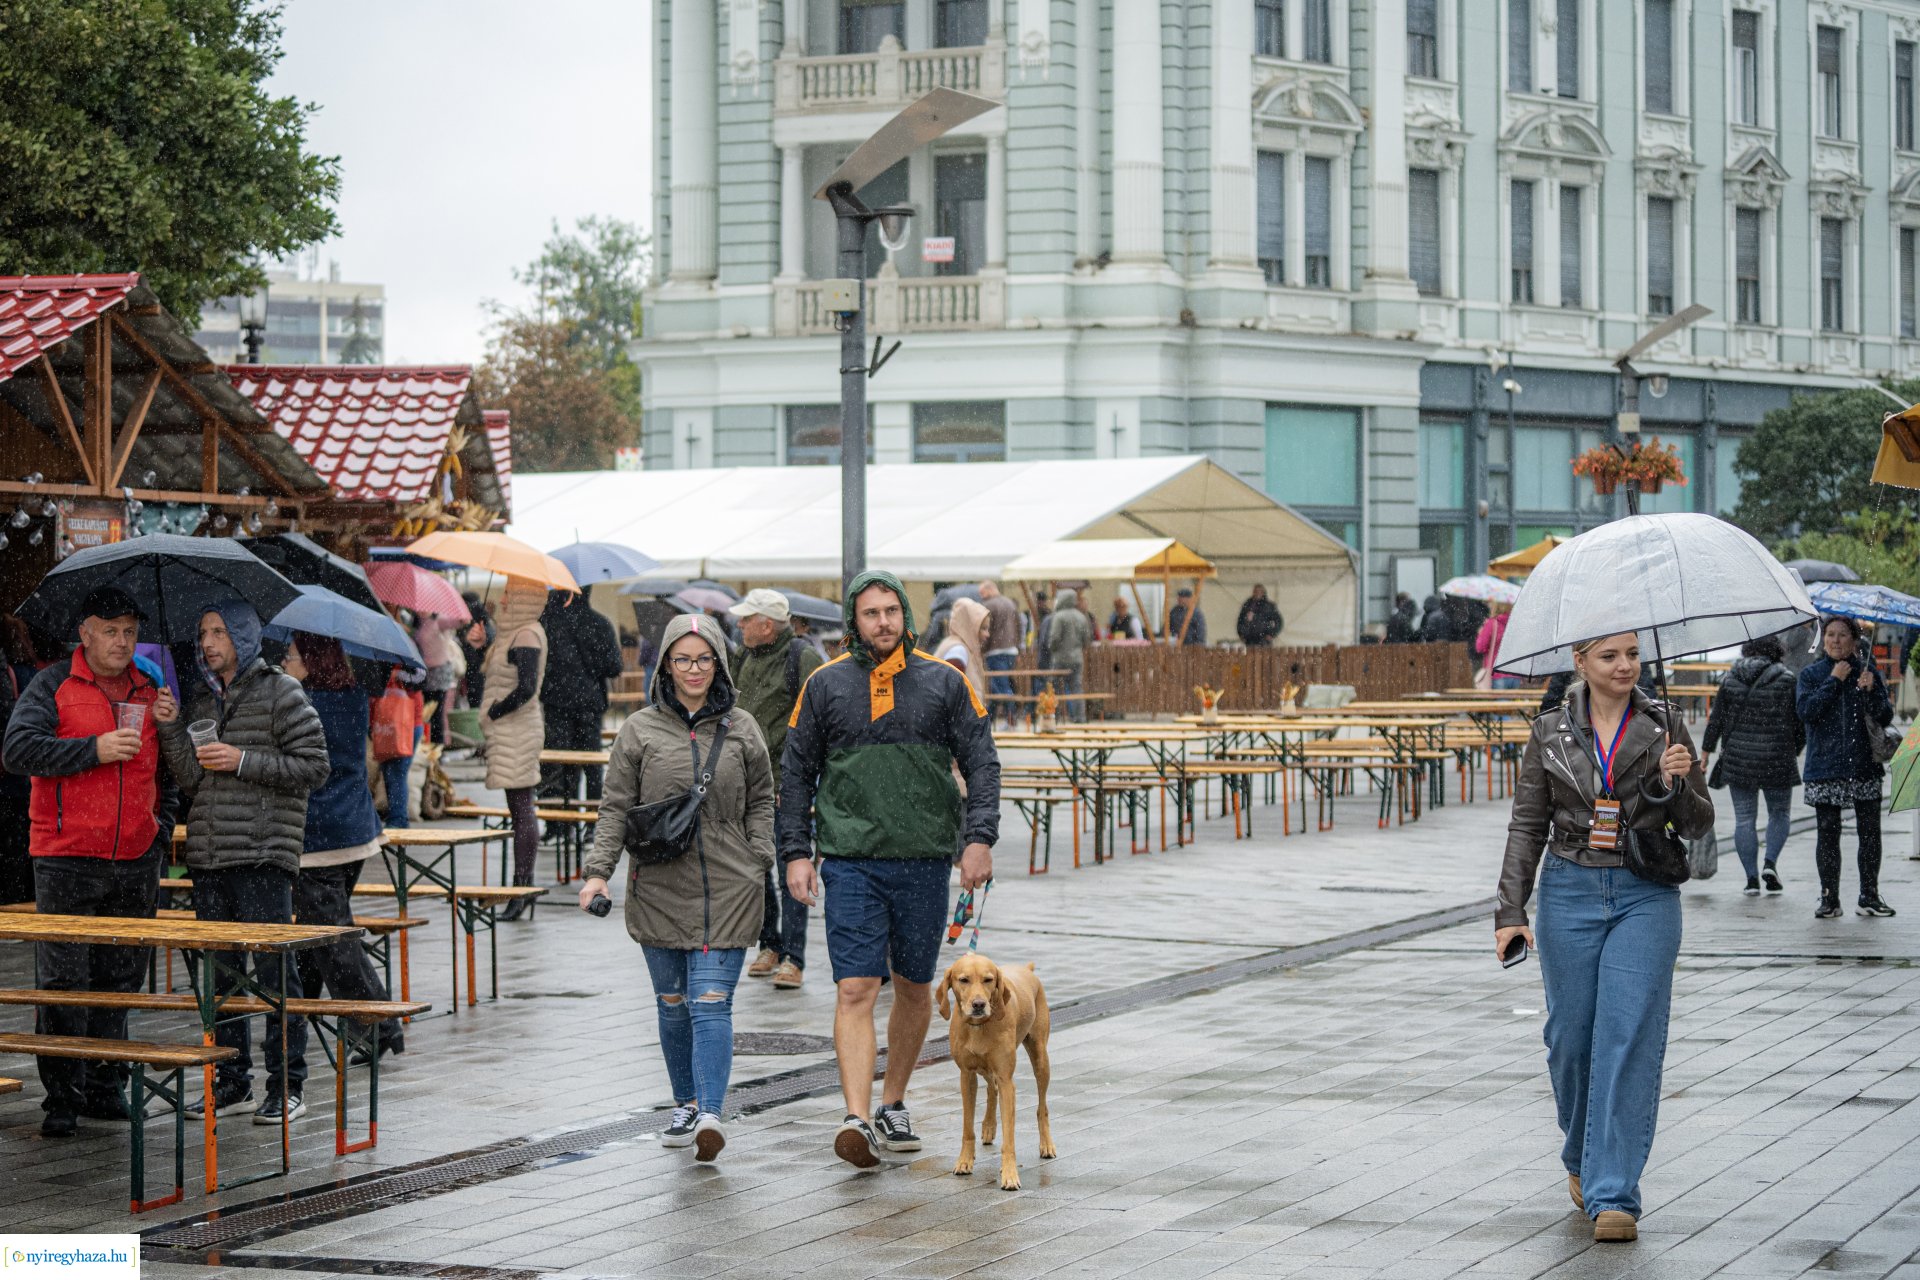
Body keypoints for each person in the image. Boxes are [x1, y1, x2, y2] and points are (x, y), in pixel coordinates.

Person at [1497, 632, 1712, 1243]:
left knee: (1628, 1035)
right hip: (1568, 889)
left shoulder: (1664, 721)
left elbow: (1697, 824)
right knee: (1571, 1041)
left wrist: (1682, 779)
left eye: (1632, 655)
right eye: (1610, 656)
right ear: (1581, 662)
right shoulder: (1549, 731)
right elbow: (1527, 824)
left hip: (1645, 890)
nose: (1625, 666)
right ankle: (1581, 1155)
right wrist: (1510, 909)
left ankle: (1614, 1190)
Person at [780, 570, 998, 1169]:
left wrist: (978, 839)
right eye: (870, 613)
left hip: (924, 859)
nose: (882, 622)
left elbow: (982, 762)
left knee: (912, 986)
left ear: (905, 615)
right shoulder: (824, 686)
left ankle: (893, 1102)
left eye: (890, 612)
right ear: (855, 620)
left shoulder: (944, 682)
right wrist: (796, 852)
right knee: (856, 987)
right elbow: (795, 774)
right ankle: (855, 1116)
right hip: (850, 861)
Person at [580, 614, 774, 1162]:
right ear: (665, 662)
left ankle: (711, 1113)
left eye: (705, 658)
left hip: (730, 886)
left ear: (720, 663)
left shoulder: (742, 728)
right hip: (659, 885)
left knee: (710, 1003)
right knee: (672, 1005)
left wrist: (759, 854)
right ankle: (685, 1100)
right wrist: (598, 871)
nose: (694, 669)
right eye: (683, 658)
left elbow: (762, 796)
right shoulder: (639, 730)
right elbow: (614, 807)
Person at [2, 588, 177, 1137]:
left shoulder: (151, 690)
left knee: (121, 979)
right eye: (110, 629)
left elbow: (169, 775)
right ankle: (62, 1096)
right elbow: (17, 750)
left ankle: (106, 1086)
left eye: (129, 630)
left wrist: (159, 829)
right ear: (85, 633)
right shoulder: (53, 684)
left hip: (135, 858)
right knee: (64, 982)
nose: (121, 641)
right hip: (66, 856)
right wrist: (92, 751)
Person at [158, 601, 328, 1124]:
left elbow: (315, 766)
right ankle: (231, 1083)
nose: (208, 642)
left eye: (219, 632)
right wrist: (170, 727)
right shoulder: (205, 698)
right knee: (220, 977)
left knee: (275, 976)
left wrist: (245, 760)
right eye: (203, 632)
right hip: (209, 857)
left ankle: (288, 1085)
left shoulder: (282, 690)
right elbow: (192, 779)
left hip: (262, 855)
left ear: (246, 637)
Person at [282, 634, 403, 1060]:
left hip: (321, 834)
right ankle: (297, 1017)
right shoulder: (351, 694)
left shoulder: (302, 702)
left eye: (291, 657)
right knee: (321, 932)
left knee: (334, 939)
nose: (284, 662)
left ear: (311, 661)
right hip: (355, 827)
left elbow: (302, 766)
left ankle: (380, 1021)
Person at [728, 589, 822, 990]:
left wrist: (798, 782)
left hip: (787, 784)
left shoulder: (803, 658)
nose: (740, 625)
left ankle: (793, 957)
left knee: (792, 869)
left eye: (747, 619)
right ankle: (770, 941)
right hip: (747, 782)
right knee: (754, 865)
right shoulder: (744, 657)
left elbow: (818, 726)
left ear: (766, 624)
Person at [1796, 615, 1897, 919]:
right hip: (1825, 766)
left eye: (1842, 635)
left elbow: (1885, 716)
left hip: (1863, 764)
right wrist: (1833, 681)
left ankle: (1869, 895)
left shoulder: (1868, 672)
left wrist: (1872, 690)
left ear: (1855, 641)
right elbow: (1807, 712)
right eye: (1830, 635)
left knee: (1870, 833)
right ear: (1823, 640)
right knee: (1828, 833)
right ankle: (1829, 897)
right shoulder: (1812, 674)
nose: (1835, 641)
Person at [1701, 636, 1803, 896]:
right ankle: (1770, 863)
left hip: (1739, 758)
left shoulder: (1731, 678)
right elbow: (1799, 724)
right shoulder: (1787, 679)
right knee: (1779, 813)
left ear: (1747, 649)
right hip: (1777, 758)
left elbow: (1717, 720)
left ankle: (1751, 879)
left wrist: (1705, 752)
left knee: (1744, 819)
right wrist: (1794, 749)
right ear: (1777, 650)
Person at [480, 580, 550, 920]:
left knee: (522, 807)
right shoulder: (512, 634)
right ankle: (521, 888)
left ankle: (522, 889)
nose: (503, 597)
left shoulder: (527, 635)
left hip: (517, 729)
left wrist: (494, 712)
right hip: (510, 729)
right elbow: (499, 678)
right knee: (518, 807)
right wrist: (481, 647)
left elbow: (525, 688)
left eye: (510, 592)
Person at [538, 591, 624, 803]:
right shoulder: (599, 623)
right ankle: (593, 821)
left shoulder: (550, 622)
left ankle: (563, 820)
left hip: (556, 703)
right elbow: (614, 667)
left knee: (560, 763)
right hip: (590, 703)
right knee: (592, 764)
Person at [373, 666, 425, 828]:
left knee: (397, 771)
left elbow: (422, 680)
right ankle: (396, 817)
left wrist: (398, 675)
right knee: (389, 772)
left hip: (407, 724)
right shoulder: (380, 660)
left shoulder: (408, 660)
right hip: (387, 723)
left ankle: (398, 819)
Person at [1044, 588, 1093, 724]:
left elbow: (1054, 638)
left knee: (1054, 688)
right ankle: (1079, 717)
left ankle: (1054, 716)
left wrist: (1053, 649)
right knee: (1076, 687)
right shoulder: (1081, 616)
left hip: (1060, 658)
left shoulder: (1059, 617)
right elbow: (1087, 639)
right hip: (1077, 658)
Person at [977, 581, 1022, 713]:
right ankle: (992, 717)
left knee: (1000, 687)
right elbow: (1019, 626)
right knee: (1001, 684)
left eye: (982, 592)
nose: (981, 596)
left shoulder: (987, 606)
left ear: (990, 589)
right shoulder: (1010, 603)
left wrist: (981, 649)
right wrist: (1018, 647)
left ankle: (1010, 719)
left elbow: (986, 630)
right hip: (1011, 650)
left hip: (995, 651)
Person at [937, 597, 991, 699]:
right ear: (970, 627)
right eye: (983, 628)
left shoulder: (961, 646)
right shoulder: (958, 651)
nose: (987, 634)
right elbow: (951, 694)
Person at [457, 594, 493, 709]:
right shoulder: (466, 625)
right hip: (470, 675)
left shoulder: (482, 625)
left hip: (479, 675)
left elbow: (489, 640)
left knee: (478, 706)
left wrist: (483, 640)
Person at [1475, 603, 1516, 689]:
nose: (1489, 605)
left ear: (1496, 606)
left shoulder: (1492, 623)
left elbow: (1480, 648)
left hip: (1497, 674)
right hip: (1515, 674)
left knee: (1500, 702)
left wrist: (1481, 633)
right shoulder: (1515, 623)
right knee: (1514, 702)